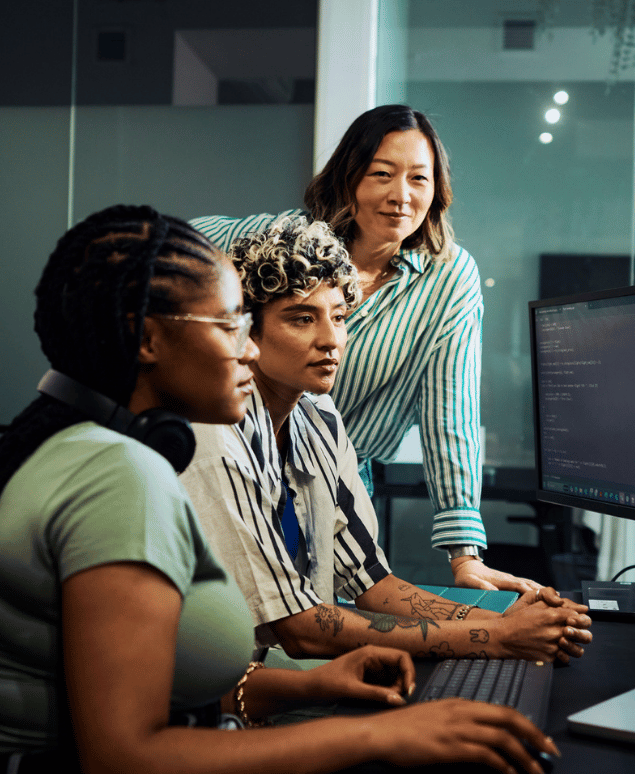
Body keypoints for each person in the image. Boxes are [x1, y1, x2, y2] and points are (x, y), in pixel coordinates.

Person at [0, 204, 560, 774]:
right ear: (147, 340)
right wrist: (375, 735)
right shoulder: (118, 478)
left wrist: (310, 686)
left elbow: (152, 685)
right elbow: (123, 759)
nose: (247, 348)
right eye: (229, 325)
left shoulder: (97, 450)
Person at [181, 215, 591, 663]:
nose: (330, 340)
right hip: (221, 700)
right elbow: (301, 630)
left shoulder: (318, 418)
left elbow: (373, 583)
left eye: (338, 317)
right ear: (248, 331)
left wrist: (505, 622)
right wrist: (496, 639)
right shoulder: (214, 433)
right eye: (302, 319)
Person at [191, 104, 532, 594]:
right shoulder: (289, 241)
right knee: (255, 623)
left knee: (333, 617)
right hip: (244, 463)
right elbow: (175, 247)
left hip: (338, 480)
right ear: (349, 177)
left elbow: (450, 417)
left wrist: (465, 557)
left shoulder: (448, 278)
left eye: (419, 178)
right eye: (381, 174)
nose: (401, 196)